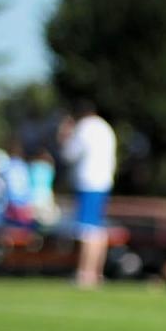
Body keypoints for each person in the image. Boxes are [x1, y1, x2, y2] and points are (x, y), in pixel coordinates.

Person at [58, 100, 117, 288]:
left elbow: (69, 154)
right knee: (97, 229)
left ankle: (85, 273)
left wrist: (65, 135)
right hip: (103, 183)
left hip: (88, 183)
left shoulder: (84, 127)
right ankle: (95, 272)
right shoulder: (106, 128)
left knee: (87, 230)